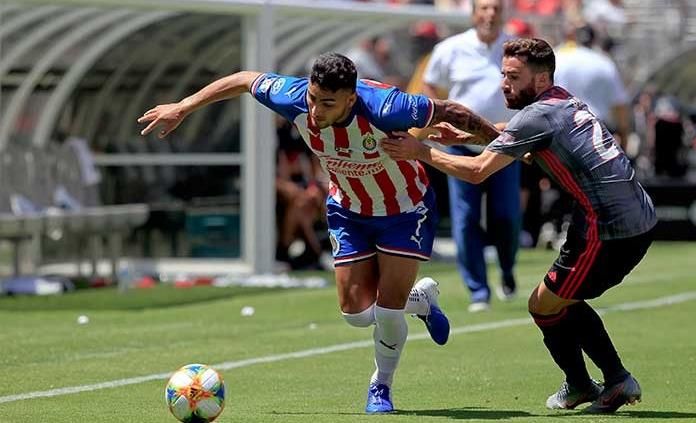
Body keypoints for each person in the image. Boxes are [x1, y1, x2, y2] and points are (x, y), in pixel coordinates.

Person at [137, 53, 451, 414]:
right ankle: (421, 300)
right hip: (349, 208)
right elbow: (243, 78)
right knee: (355, 314)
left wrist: (504, 141)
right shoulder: (293, 96)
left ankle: (381, 386)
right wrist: (184, 106)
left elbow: (449, 110)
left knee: (388, 312)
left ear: (350, 99)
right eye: (313, 99)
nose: (315, 110)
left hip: (403, 207)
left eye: (327, 103)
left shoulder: (386, 106)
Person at [380, 38, 656, 414]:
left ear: (541, 80)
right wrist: (470, 136)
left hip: (608, 227)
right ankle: (589, 382)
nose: (504, 84)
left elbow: (477, 172)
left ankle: (610, 381)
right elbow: (519, 134)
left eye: (513, 76)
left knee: (545, 305)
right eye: (503, 74)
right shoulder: (562, 101)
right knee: (557, 301)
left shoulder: (538, 114)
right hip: (631, 215)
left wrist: (421, 152)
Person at [423, 0, 520, 312]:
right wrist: (436, 119)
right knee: (465, 219)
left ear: (504, 13)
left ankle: (506, 270)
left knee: (506, 217)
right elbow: (429, 85)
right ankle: (479, 291)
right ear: (474, 13)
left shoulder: (515, 48)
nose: (490, 15)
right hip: (460, 145)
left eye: (495, 9)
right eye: (484, 8)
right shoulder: (451, 48)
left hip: (503, 144)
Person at [554, 24, 630, 149]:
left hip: (561, 131)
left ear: (573, 38)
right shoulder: (604, 62)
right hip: (595, 133)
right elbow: (620, 104)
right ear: (594, 40)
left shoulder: (557, 58)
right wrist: (624, 137)